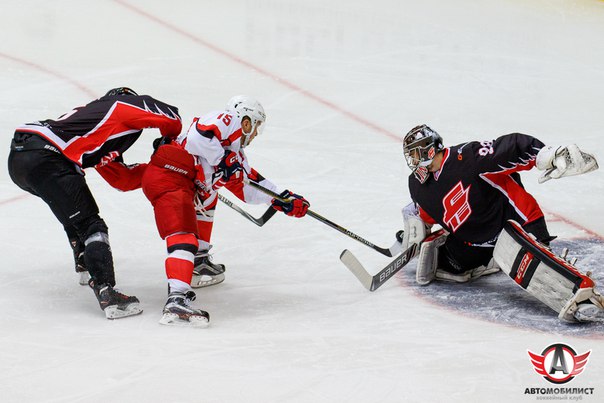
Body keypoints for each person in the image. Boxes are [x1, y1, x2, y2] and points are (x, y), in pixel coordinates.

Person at [8, 87, 182, 319]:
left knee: (74, 211)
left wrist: (167, 170)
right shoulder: (117, 106)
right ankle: (107, 292)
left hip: (21, 160)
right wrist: (169, 143)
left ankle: (86, 264)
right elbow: (172, 116)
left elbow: (123, 179)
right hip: (46, 155)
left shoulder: (97, 132)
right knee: (92, 226)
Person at [400, 124, 603, 322]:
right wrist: (418, 227)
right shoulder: (418, 185)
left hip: (516, 224)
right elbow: (429, 212)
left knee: (539, 267)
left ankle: (581, 294)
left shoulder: (468, 157)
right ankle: (489, 260)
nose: (412, 159)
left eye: (415, 153)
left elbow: (510, 146)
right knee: (446, 266)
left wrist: (548, 155)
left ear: (430, 149)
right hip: (475, 243)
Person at [140, 95, 309, 327]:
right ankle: (176, 299)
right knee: (183, 234)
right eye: (257, 125)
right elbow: (198, 136)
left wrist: (282, 199)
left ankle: (197, 261)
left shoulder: (234, 153)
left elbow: (248, 186)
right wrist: (223, 160)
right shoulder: (227, 121)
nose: (257, 133)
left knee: (210, 196)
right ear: (246, 121)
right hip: (170, 177)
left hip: (185, 181)